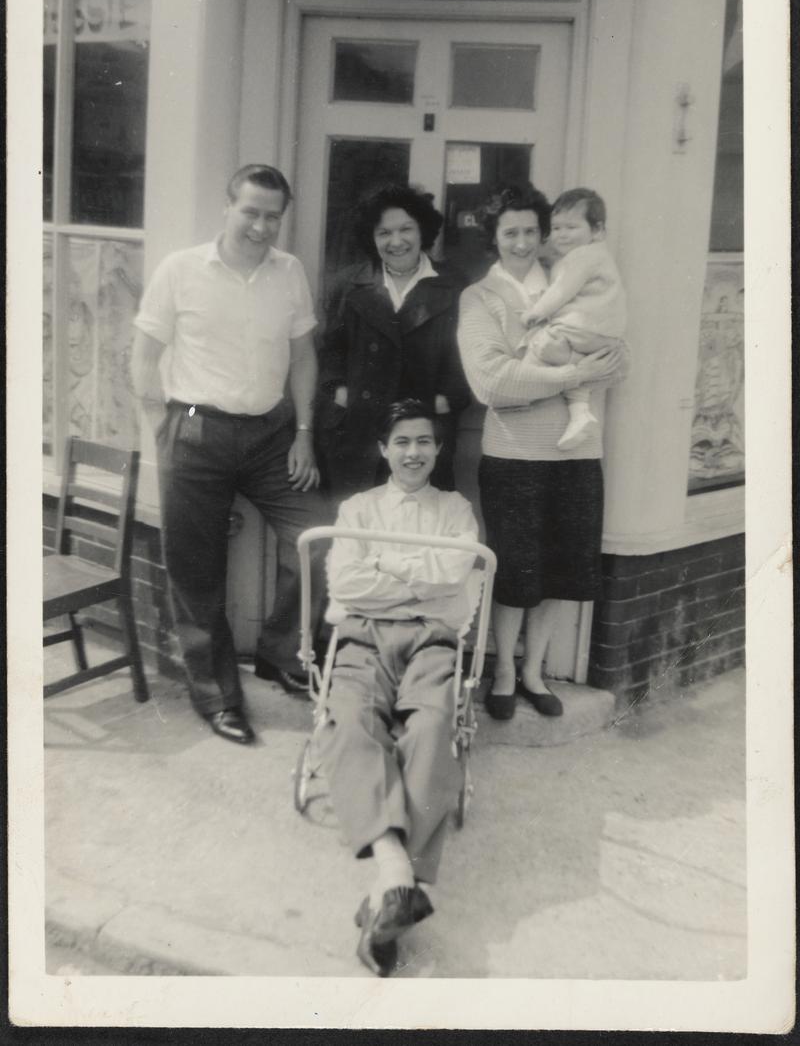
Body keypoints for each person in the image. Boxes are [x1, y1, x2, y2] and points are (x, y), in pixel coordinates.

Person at [131, 164, 327, 745]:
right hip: (195, 433)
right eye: (251, 212)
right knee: (196, 571)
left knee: (321, 544)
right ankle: (217, 696)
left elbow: (303, 358)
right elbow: (143, 356)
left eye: (272, 216)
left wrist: (304, 433)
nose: (261, 226)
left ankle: (280, 653)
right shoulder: (181, 269)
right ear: (228, 206)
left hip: (271, 435)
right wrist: (162, 430)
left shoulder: (289, 272)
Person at [457, 183, 629, 722]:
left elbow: (618, 361)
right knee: (515, 573)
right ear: (494, 238)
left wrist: (548, 375)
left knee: (557, 572)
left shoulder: (571, 279)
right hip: (514, 454)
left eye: (532, 231)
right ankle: (504, 672)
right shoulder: (480, 298)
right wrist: (574, 374)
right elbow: (492, 383)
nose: (523, 242)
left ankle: (534, 672)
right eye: (511, 232)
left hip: (577, 454)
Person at [319, 399, 479, 976]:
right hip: (363, 636)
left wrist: (386, 566)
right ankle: (397, 874)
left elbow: (455, 575)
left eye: (424, 441)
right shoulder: (357, 509)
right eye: (403, 442)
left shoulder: (455, 510)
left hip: (433, 638)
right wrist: (419, 577)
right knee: (351, 718)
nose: (414, 452)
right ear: (383, 450)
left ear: (438, 449)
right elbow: (346, 584)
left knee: (433, 726)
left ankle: (386, 888)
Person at [318, 183, 471, 500]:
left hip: (423, 434)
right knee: (359, 519)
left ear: (422, 230)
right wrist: (342, 393)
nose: (396, 241)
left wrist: (445, 400)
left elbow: (468, 356)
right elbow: (331, 351)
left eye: (406, 229)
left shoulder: (455, 285)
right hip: (360, 432)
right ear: (371, 237)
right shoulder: (348, 284)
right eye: (384, 233)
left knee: (421, 520)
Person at [519, 187, 627, 450]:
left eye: (571, 227)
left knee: (539, 344)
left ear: (597, 230)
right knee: (578, 380)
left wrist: (535, 312)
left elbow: (561, 291)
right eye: (556, 228)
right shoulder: (598, 256)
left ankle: (525, 390)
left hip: (581, 326)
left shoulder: (582, 256)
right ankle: (580, 415)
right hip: (604, 335)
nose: (562, 234)